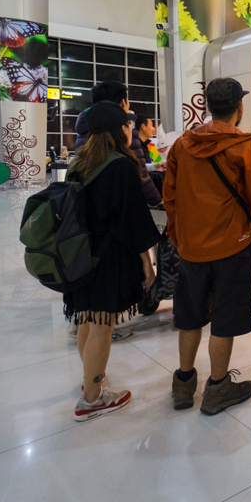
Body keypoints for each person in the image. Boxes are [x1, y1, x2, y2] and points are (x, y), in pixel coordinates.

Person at [163, 78, 251, 415]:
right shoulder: (248, 146)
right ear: (240, 107)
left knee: (189, 317)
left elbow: (169, 198)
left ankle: (183, 384)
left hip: (191, 250)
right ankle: (217, 388)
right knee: (224, 320)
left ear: (207, 107)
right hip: (232, 247)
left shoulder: (181, 145)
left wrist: (181, 237)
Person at [64, 101, 159, 422]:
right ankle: (91, 399)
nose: (131, 129)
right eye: (128, 124)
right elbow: (132, 220)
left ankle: (93, 378)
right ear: (121, 129)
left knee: (87, 321)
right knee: (103, 327)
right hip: (109, 258)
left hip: (79, 255)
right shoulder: (121, 165)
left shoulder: (78, 163)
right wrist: (146, 260)